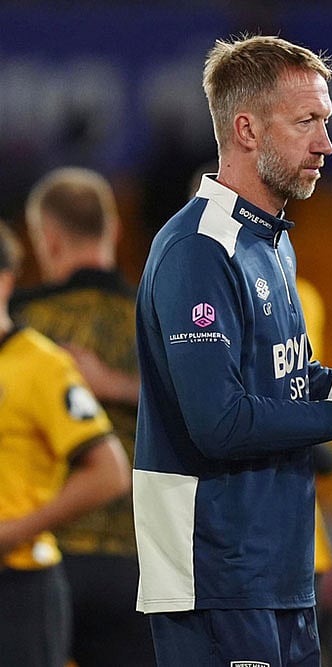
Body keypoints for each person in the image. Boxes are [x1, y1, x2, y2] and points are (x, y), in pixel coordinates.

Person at [132, 35, 332, 666]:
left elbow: (289, 385)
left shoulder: (273, 242)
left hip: (279, 572)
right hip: (213, 579)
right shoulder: (200, 249)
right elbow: (219, 423)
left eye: (325, 122)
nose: (326, 143)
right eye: (307, 122)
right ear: (245, 129)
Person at [11, 166, 154, 665]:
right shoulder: (158, 316)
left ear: (46, 239)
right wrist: (121, 387)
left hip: (40, 557)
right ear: (114, 230)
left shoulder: (22, 325)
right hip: (142, 561)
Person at [0, 220, 131, 667]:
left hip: (20, 580)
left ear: (5, 281)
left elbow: (110, 472)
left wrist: (11, 533)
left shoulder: (41, 364)